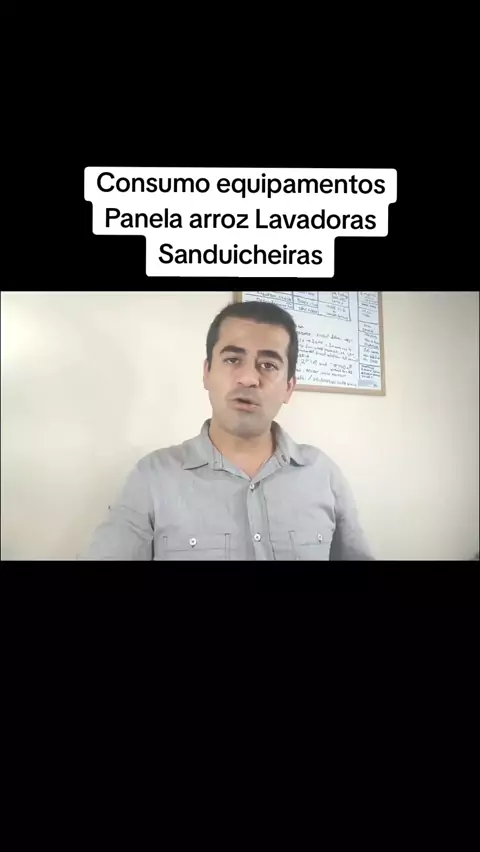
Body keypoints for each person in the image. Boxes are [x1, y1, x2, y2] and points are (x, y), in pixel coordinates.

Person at [83, 300, 373, 561]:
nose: (248, 378)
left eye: (268, 365)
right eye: (233, 359)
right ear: (207, 373)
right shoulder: (151, 478)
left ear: (288, 387)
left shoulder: (323, 475)